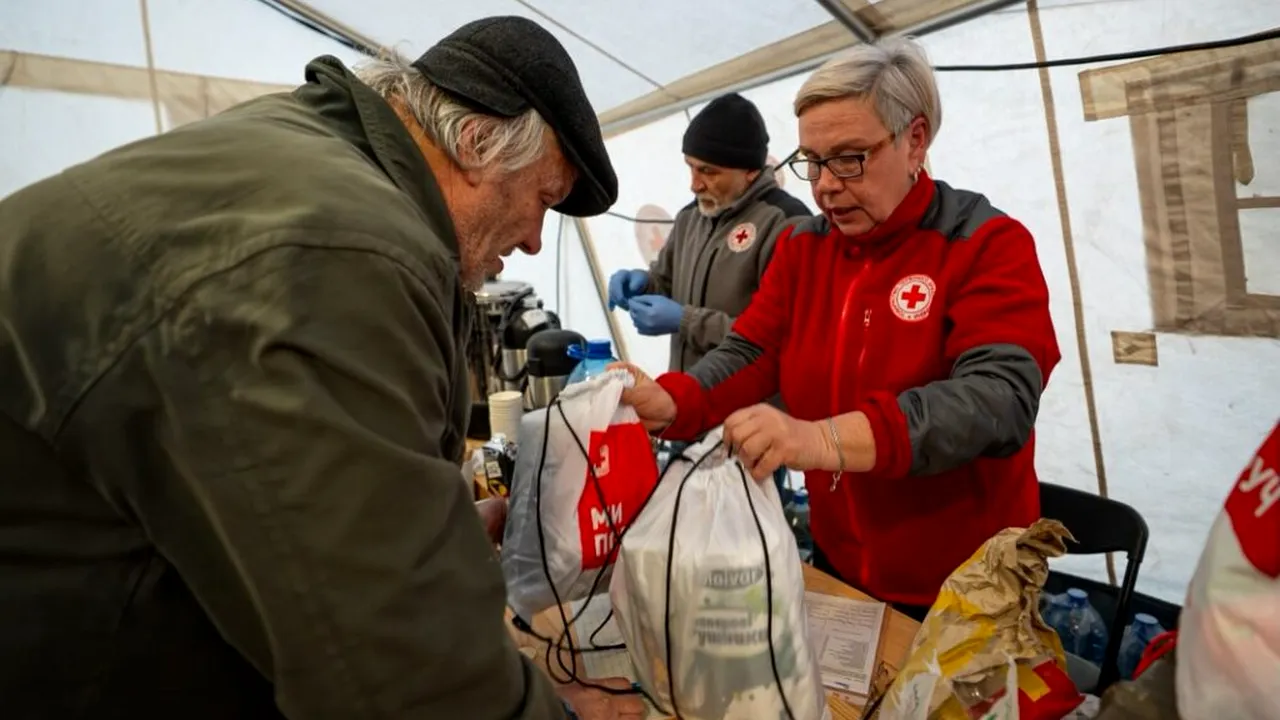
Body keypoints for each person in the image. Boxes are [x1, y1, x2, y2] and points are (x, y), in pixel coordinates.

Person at [0, 16, 644, 720]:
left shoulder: (308, 151)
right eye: (542, 200)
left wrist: (423, 515)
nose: (531, 240)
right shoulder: (342, 249)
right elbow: (404, 674)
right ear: (475, 141)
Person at [617, 38, 1061, 621]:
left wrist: (820, 440)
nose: (824, 185)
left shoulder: (984, 245)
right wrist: (673, 400)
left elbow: (997, 399)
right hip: (841, 565)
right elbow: (753, 351)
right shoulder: (806, 248)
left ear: (915, 140)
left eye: (849, 158)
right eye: (811, 161)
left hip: (965, 584)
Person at [608, 92, 810, 375]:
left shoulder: (787, 224)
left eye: (708, 171)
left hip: (749, 410)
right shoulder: (690, 217)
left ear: (750, 170)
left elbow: (782, 335)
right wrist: (644, 285)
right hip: (685, 398)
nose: (694, 185)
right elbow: (667, 284)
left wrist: (685, 322)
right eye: (690, 167)